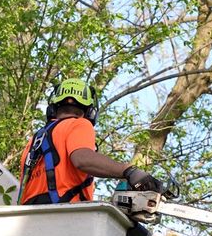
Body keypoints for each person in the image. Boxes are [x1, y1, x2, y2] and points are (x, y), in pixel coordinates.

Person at [18, 78, 163, 207]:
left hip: (30, 217)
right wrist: (129, 171)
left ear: (54, 107)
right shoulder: (79, 124)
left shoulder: (32, 142)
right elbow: (83, 159)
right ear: (90, 112)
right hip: (64, 215)